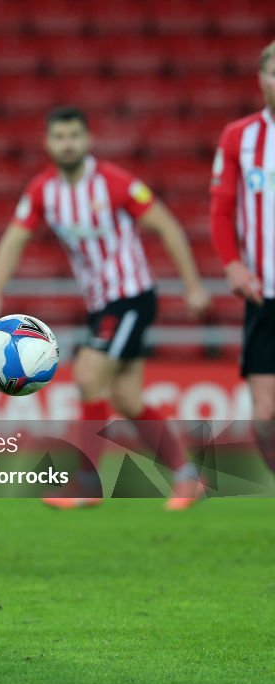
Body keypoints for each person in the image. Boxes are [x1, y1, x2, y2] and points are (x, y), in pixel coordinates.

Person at [0, 106, 211, 510]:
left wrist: (192, 286)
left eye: (74, 136)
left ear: (87, 141)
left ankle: (86, 483)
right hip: (101, 304)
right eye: (59, 137)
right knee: (128, 399)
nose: (68, 143)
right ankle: (188, 478)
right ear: (48, 143)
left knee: (87, 375)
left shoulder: (114, 183)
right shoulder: (43, 191)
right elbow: (15, 239)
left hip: (131, 296)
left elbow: (166, 225)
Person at [210, 39, 275, 475]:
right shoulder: (240, 136)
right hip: (264, 296)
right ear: (261, 78)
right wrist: (232, 263)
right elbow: (221, 208)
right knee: (266, 415)